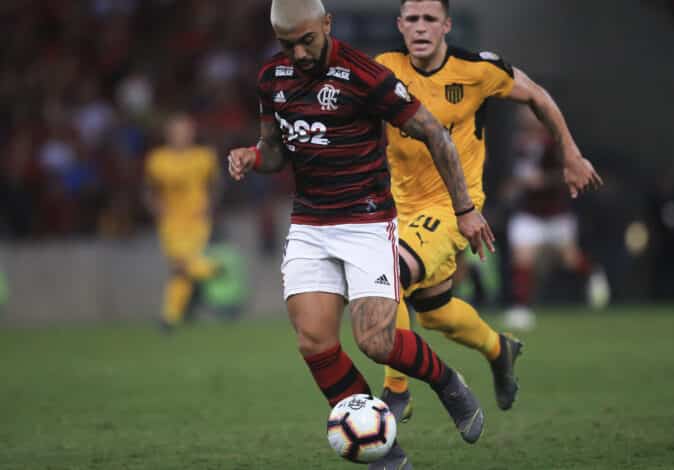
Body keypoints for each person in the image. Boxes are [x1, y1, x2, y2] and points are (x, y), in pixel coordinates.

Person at [226, 1, 496, 468]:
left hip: (367, 222)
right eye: (286, 44)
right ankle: (383, 453)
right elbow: (275, 151)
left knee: (376, 341)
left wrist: (465, 209)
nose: (299, 52)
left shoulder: (366, 76)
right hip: (311, 224)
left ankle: (447, 381)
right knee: (313, 340)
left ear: (326, 25)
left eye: (307, 40)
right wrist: (253, 157)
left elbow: (435, 133)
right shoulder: (272, 78)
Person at [375, 0, 603, 420]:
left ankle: (396, 391)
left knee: (386, 276)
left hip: (454, 208)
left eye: (430, 19)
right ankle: (500, 350)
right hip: (397, 208)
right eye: (413, 19)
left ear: (446, 25)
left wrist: (571, 153)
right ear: (400, 25)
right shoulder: (383, 69)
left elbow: (537, 96)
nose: (421, 28)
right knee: (435, 313)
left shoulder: (477, 69)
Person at [503, 107, 610, 329]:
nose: (526, 119)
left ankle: (593, 273)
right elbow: (520, 175)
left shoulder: (553, 143)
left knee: (569, 259)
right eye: (523, 115)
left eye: (531, 114)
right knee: (522, 258)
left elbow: (566, 173)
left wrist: (543, 181)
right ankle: (521, 309)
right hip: (528, 213)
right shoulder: (518, 143)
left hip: (555, 213)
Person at [143, 113, 222, 331]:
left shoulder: (204, 156)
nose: (182, 136)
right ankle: (210, 269)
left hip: (197, 219)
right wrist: (154, 206)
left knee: (179, 266)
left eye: (186, 131)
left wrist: (211, 205)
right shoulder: (156, 159)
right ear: (168, 134)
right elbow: (149, 189)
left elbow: (216, 184)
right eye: (177, 131)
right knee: (181, 266)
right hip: (170, 220)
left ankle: (169, 318)